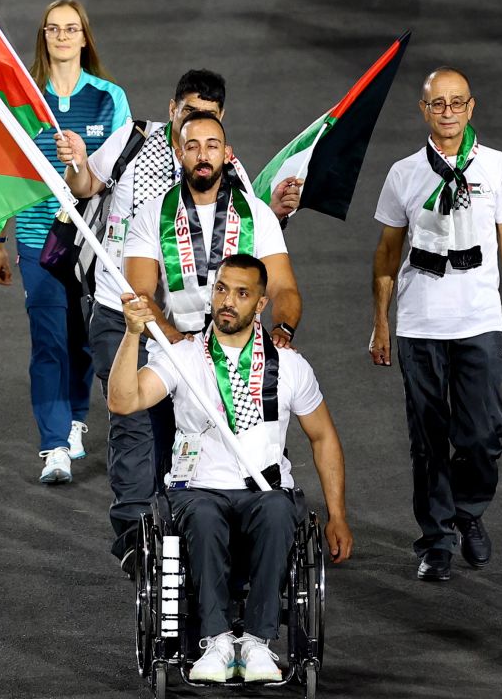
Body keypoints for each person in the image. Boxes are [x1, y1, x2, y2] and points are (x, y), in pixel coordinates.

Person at [55, 70, 303, 571]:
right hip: (123, 308)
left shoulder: (226, 168)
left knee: (184, 425)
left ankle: (179, 522)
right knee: (137, 416)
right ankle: (131, 531)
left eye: (208, 124)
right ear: (172, 110)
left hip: (208, 331)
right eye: (187, 113)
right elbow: (86, 186)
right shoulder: (133, 143)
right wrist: (77, 165)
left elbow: (252, 243)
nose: (198, 134)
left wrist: (276, 214)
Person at [107, 254, 353, 683]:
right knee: (202, 516)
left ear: (260, 304)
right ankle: (216, 642)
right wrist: (132, 335)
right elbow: (123, 401)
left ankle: (257, 643)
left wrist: (338, 515)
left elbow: (323, 437)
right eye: (222, 289)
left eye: (242, 294)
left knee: (280, 511)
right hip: (197, 490)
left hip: (266, 491)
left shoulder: (290, 365)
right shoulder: (182, 356)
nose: (227, 301)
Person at [369, 67, 502, 581]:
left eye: (456, 103)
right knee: (427, 437)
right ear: (423, 110)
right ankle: (437, 539)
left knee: (483, 434)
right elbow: (386, 252)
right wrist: (381, 322)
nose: (447, 112)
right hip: (420, 325)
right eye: (437, 104)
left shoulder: (496, 166)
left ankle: (469, 510)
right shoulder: (403, 173)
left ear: (471, 107)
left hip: (480, 321)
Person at [0, 0, 130, 485]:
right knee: (48, 340)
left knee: (83, 338)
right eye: (54, 29)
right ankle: (53, 447)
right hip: (36, 237)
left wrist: (82, 162)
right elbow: (7, 175)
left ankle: (73, 418)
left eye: (72, 29)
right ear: (43, 37)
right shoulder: (24, 101)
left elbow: (122, 174)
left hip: (93, 241)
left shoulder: (110, 98)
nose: (63, 37)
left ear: (85, 38)